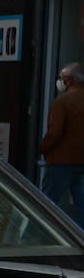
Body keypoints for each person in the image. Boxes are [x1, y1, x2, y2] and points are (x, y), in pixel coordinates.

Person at [42, 62, 84, 226]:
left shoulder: (62, 101)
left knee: (45, 205)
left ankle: (40, 234)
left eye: (61, 77)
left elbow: (55, 133)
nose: (59, 80)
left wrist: (43, 148)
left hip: (60, 162)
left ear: (70, 79)